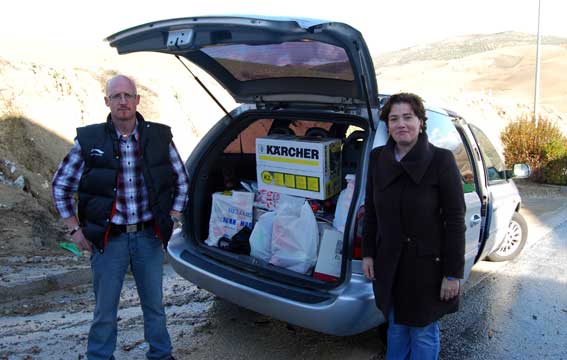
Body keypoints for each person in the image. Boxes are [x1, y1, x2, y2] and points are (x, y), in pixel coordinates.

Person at [52, 74, 188, 360]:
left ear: (138, 100)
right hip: (108, 239)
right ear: (107, 102)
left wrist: (172, 216)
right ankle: (100, 357)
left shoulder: (160, 137)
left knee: (154, 306)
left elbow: (181, 180)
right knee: (104, 311)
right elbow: (61, 185)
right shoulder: (89, 140)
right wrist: (75, 231)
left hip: (148, 237)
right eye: (116, 96)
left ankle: (161, 355)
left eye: (128, 95)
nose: (123, 101)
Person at [362, 93, 465, 359]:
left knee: (422, 332)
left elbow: (455, 220)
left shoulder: (441, 160)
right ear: (387, 126)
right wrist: (368, 253)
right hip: (390, 264)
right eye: (394, 118)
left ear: (420, 121)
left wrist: (452, 274)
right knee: (395, 328)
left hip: (427, 267)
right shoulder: (377, 159)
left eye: (408, 117)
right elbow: (371, 209)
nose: (401, 124)